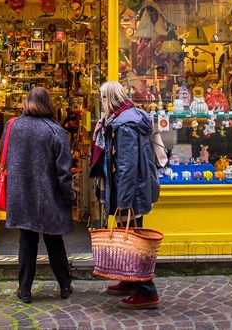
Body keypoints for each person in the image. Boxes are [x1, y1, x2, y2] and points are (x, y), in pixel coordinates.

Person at [1, 86, 76, 304]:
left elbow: (4, 152)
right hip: (49, 196)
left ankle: (24, 289)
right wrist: (68, 196)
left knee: (27, 241)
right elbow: (63, 170)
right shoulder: (55, 130)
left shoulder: (12, 126)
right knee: (55, 241)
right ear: (49, 104)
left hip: (21, 193)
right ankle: (64, 285)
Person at [90, 81, 161, 309]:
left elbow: (127, 165)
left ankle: (147, 291)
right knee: (129, 234)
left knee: (134, 239)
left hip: (130, 189)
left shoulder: (125, 125)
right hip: (133, 186)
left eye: (102, 99)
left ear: (108, 99)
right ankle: (130, 280)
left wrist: (124, 199)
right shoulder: (130, 116)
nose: (101, 103)